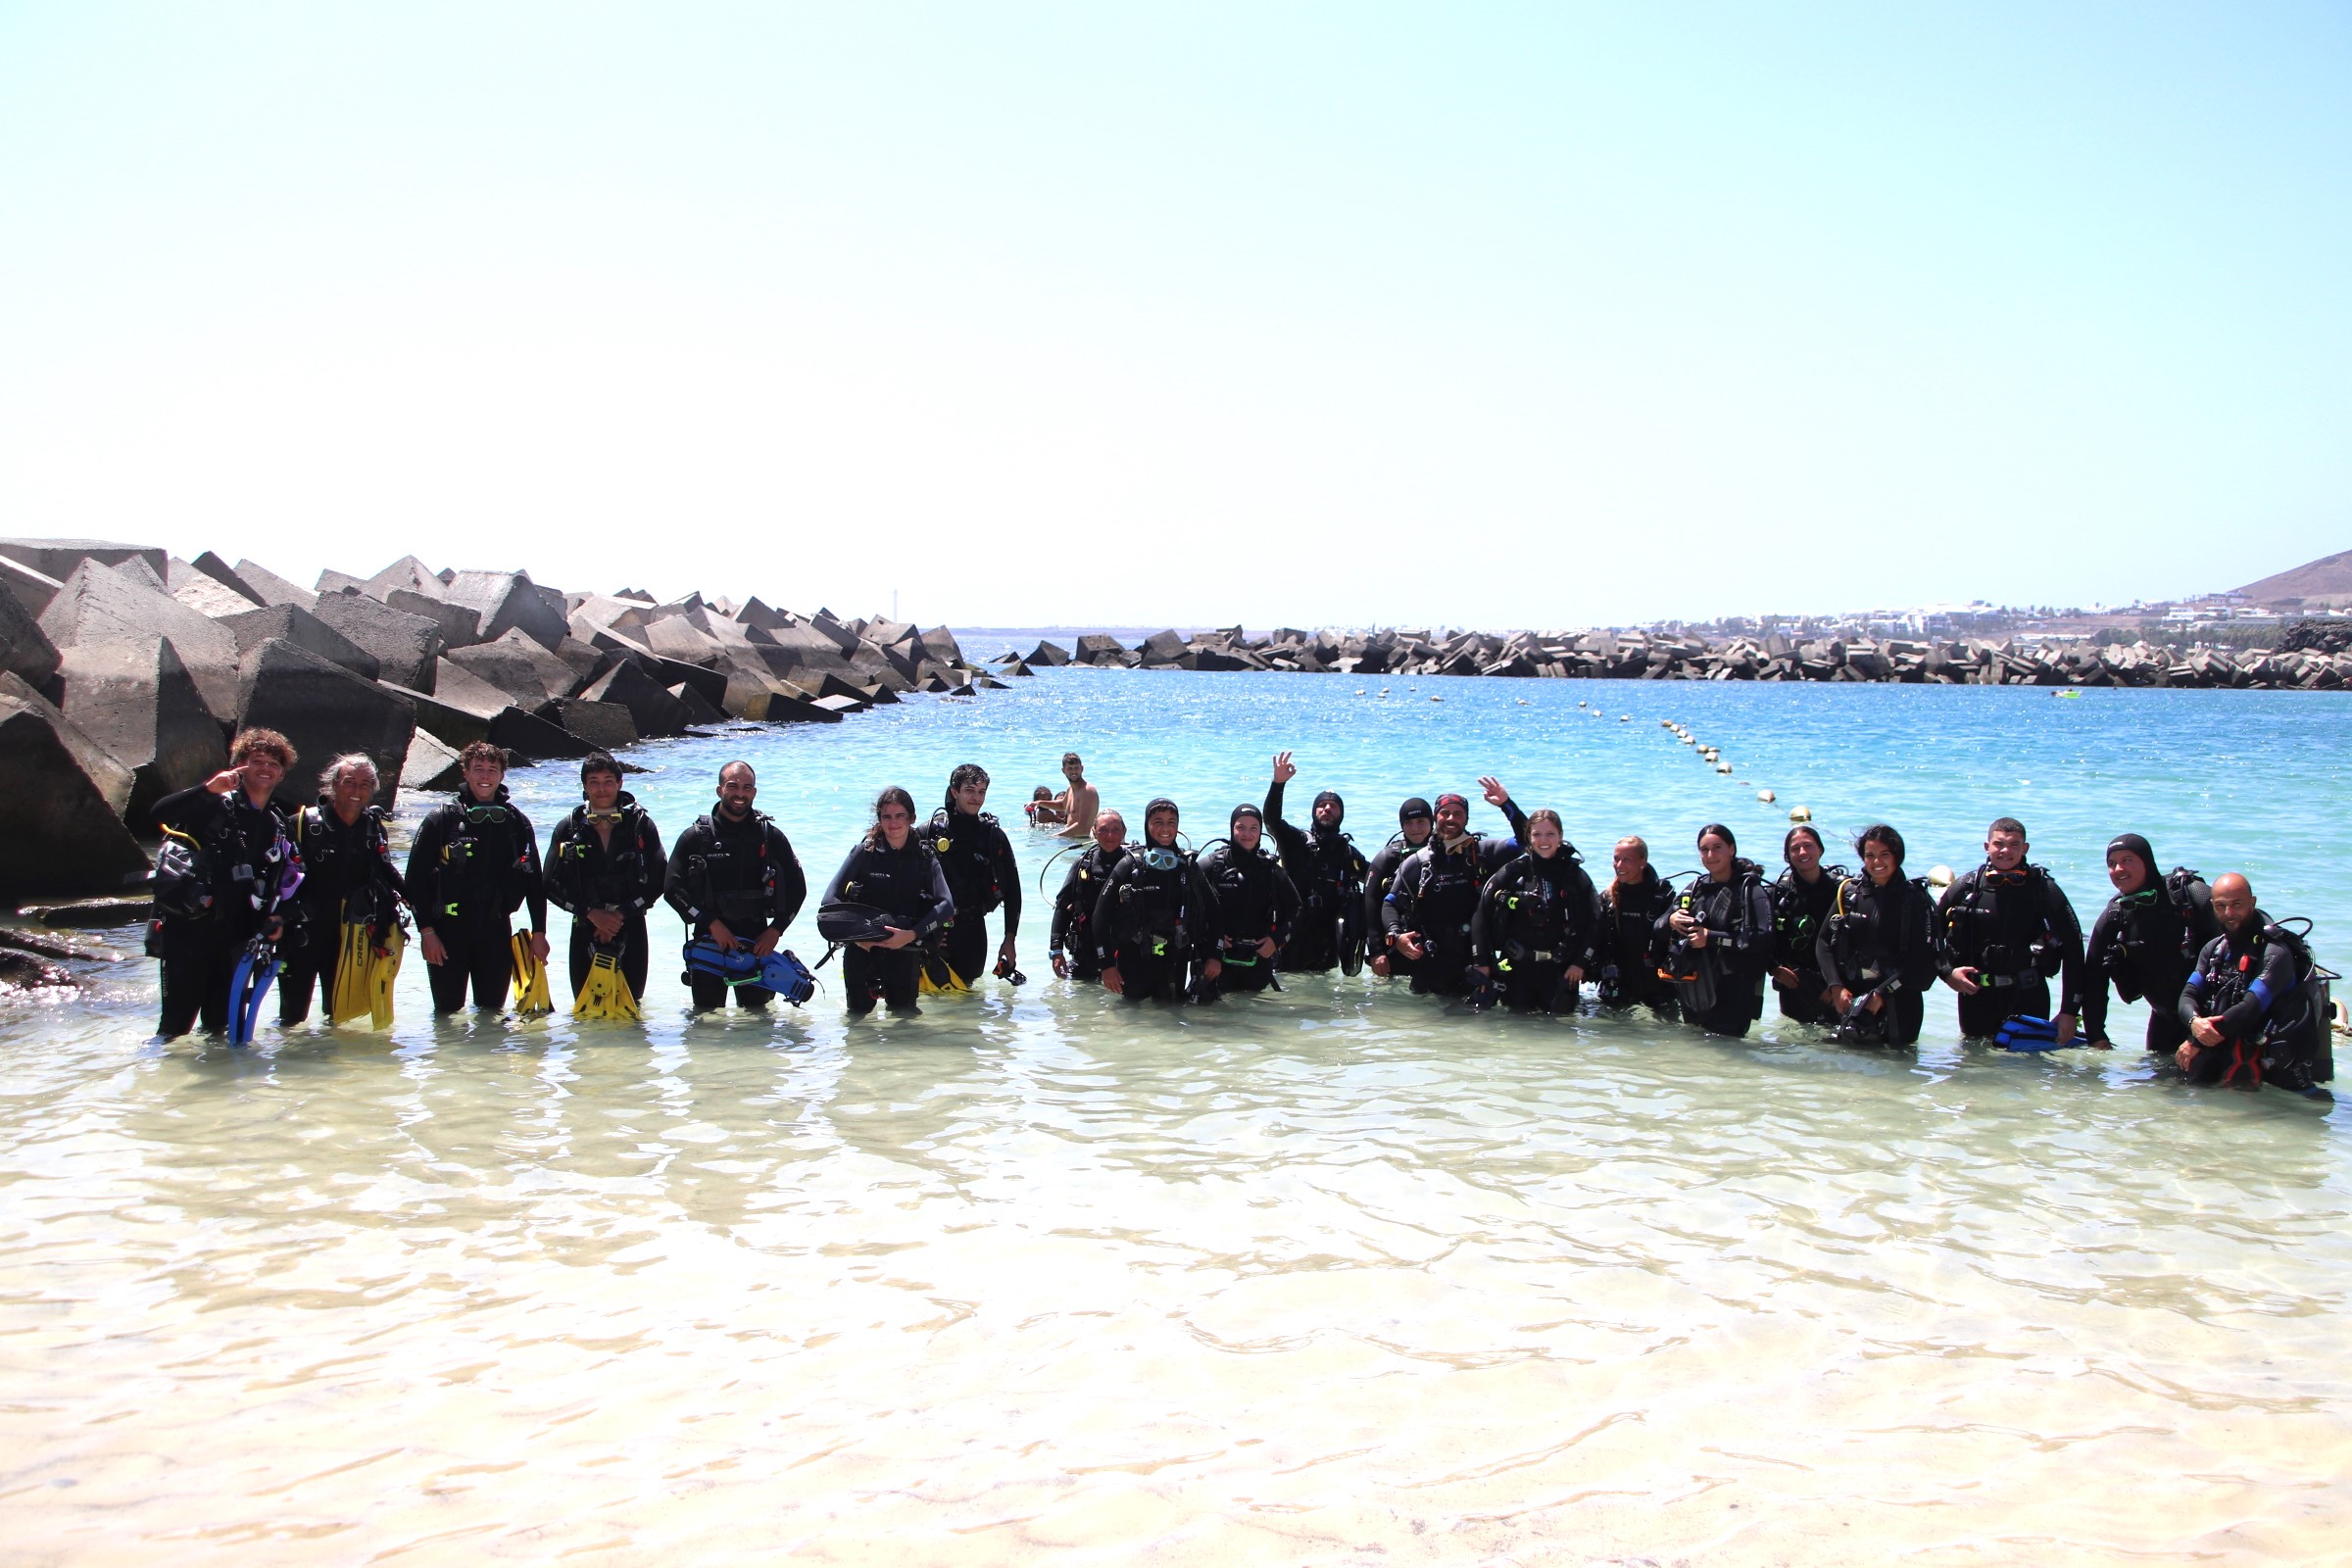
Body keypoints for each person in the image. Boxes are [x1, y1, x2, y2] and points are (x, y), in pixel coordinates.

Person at [147, 728, 305, 1038]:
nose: (265, 769)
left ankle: (220, 1085)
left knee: (221, 1029)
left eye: (274, 764)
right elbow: (159, 813)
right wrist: (206, 789)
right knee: (174, 1029)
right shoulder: (215, 804)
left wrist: (278, 918)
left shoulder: (277, 822)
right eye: (256, 761)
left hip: (235, 941)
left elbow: (290, 880)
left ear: (282, 775)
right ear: (239, 767)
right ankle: (157, 1081)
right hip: (189, 936)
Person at [408, 741, 549, 1014]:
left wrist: (539, 932)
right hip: (448, 933)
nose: (485, 776)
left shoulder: (516, 823)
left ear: (502, 775)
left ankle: (488, 1060)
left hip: (495, 931)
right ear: (466, 773)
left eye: (492, 770)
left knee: (492, 1014)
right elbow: (414, 880)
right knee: (446, 1015)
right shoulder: (441, 819)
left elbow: (534, 882)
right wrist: (427, 932)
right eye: (478, 769)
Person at [665, 760, 808, 1012]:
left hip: (757, 941)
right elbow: (672, 889)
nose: (740, 793)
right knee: (706, 1022)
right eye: (733, 786)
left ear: (754, 792)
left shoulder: (769, 836)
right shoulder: (697, 837)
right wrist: (710, 922)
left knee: (758, 1023)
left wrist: (776, 930)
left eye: (747, 787)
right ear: (720, 790)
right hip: (710, 940)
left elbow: (798, 888)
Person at [281, 754, 408, 1026]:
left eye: (364, 784)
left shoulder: (373, 828)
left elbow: (388, 873)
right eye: (349, 782)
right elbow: (279, 880)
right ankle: (287, 1063)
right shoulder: (303, 824)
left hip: (350, 936)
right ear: (333, 784)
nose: (356, 791)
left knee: (338, 1017)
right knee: (291, 1019)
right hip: (303, 932)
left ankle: (335, 1066)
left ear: (372, 789)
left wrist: (422, 912)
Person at [1936, 816, 2085, 1044]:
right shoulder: (1966, 886)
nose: (2006, 850)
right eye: (1999, 844)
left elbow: (2074, 950)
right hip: (1976, 996)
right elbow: (1928, 936)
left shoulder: (2044, 889)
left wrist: (2069, 1011)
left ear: (2025, 848)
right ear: (1987, 847)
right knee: (1973, 1070)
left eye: (2014, 845)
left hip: (2028, 996)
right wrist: (1947, 973)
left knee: (2025, 1073)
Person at [2178, 873, 2331, 1092]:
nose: (2229, 913)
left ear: (2253, 902)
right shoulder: (2213, 949)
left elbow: (2251, 1007)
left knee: (2307, 1113)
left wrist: (2197, 1040)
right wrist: (2194, 1022)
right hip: (2234, 1058)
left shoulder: (2274, 953)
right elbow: (2188, 994)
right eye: (2221, 906)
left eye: (2236, 904)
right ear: (2212, 906)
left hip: (2279, 1071)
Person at [1381, 779, 1530, 997]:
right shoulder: (1419, 862)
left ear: (1467, 818)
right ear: (1435, 817)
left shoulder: (1481, 853)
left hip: (1475, 959)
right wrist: (1396, 936)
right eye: (1445, 813)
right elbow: (1390, 903)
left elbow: (1524, 841)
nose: (1451, 818)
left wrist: (1506, 804)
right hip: (1430, 960)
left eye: (1458, 814)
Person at [544, 751, 667, 1013]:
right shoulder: (569, 827)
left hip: (631, 925)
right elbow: (549, 884)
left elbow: (659, 879)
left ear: (620, 783)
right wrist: (590, 913)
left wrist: (621, 914)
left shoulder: (640, 825)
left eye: (608, 781)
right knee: (586, 1013)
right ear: (585, 787)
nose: (602, 789)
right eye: (594, 782)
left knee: (632, 1011)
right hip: (584, 927)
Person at [824, 786, 956, 1017]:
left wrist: (911, 934)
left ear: (912, 818)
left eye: (899, 816)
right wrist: (857, 939)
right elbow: (829, 901)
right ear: (879, 819)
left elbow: (945, 905)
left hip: (905, 949)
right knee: (857, 1021)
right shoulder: (864, 852)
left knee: (905, 1021)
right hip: (862, 950)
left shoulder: (924, 856)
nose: (893, 823)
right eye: (886, 816)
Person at [2082, 834, 2218, 1056]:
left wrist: (2198, 1036)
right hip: (2163, 1023)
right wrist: (2097, 1036)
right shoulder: (2116, 914)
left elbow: (2236, 951)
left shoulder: (2190, 895)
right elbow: (2093, 977)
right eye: (2111, 863)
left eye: (2127, 860)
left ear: (2147, 861)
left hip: (2210, 1022)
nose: (2118, 869)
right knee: (2157, 1088)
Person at [1470, 808, 1602, 1012]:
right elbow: (1481, 911)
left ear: (1560, 836)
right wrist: (1481, 961)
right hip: (1516, 969)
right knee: (1516, 1033)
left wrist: (1580, 963)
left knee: (1560, 1034)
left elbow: (1596, 920)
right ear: (1529, 838)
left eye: (1550, 834)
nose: (1544, 840)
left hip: (1561, 970)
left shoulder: (1575, 875)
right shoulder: (1515, 870)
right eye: (1537, 834)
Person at [1818, 824, 1937, 1046]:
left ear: (1897, 856)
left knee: (1897, 1077)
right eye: (1869, 855)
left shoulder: (1914, 899)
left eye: (1884, 855)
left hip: (1900, 1003)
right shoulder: (1850, 893)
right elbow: (1823, 942)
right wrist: (1835, 986)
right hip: (1852, 999)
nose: (1876, 862)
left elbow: (1922, 960)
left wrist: (1882, 993)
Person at [1094, 798, 1220, 1003]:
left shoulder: (1187, 867)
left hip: (1175, 960)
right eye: (1158, 821)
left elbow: (1215, 913)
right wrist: (1107, 965)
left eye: (1171, 822)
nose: (1165, 828)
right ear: (1147, 824)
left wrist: (1215, 955)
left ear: (1178, 827)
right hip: (1134, 959)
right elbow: (1100, 915)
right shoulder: (1130, 864)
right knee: (1130, 1022)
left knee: (1170, 1022)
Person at [1656, 823, 1773, 1037]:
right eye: (1704, 849)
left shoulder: (1750, 891)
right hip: (1695, 989)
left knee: (1727, 1058)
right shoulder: (1694, 889)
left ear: (1732, 849)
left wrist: (1711, 938)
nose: (1710, 855)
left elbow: (1762, 938)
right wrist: (1671, 920)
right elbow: (1657, 927)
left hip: (1734, 991)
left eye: (1717, 847)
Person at [1263, 752, 1369, 974]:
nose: (1327, 809)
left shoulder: (1347, 853)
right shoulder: (1297, 843)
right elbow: (1272, 821)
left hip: (1327, 948)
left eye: (1333, 806)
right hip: (1290, 942)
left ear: (1341, 814)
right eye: (1322, 805)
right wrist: (1278, 784)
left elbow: (1374, 880)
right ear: (1314, 811)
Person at [928, 763, 1022, 987]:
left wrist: (1010, 939)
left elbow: (1014, 892)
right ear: (954, 792)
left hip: (973, 930)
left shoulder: (993, 836)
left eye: (982, 792)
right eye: (970, 790)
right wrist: (921, 931)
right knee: (930, 998)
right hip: (936, 931)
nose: (976, 798)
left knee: (967, 1001)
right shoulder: (931, 832)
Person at [1197, 803, 1301, 998]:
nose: (1247, 834)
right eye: (1240, 828)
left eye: (1254, 828)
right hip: (1217, 960)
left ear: (1261, 832)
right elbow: (1189, 905)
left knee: (1255, 1020)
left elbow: (1296, 907)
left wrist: (1276, 941)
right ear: (1231, 829)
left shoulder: (1269, 868)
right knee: (1212, 1021)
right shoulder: (1213, 865)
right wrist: (1211, 940)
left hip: (1258, 959)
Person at [1769, 824, 1845, 1024]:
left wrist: (1837, 983)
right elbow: (1764, 938)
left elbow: (1856, 943)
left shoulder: (1840, 890)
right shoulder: (1779, 893)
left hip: (1833, 986)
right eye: (1795, 848)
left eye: (1808, 845)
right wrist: (1774, 969)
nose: (1802, 852)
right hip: (1793, 983)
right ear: (1787, 856)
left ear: (1820, 849)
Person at [1596, 836, 1678, 1018]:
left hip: (1656, 983)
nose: (1619, 865)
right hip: (1618, 980)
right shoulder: (1608, 897)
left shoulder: (1663, 896)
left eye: (1627, 860)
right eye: (1616, 859)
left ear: (1643, 862)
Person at [1050, 810, 1129, 983]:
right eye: (1103, 829)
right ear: (1094, 831)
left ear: (1125, 832)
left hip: (1123, 958)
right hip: (1085, 957)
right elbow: (1062, 907)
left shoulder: (1133, 865)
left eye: (1116, 829)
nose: (1110, 835)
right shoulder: (1083, 864)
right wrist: (1056, 950)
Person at [1363, 797, 1436, 981]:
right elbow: (1370, 903)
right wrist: (1376, 951)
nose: (1415, 828)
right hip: (1395, 943)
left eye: (1421, 821)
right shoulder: (1388, 857)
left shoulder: (1445, 854)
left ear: (1432, 822)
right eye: (1408, 823)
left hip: (1435, 942)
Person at [1051, 752, 1100, 840]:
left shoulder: (1087, 790)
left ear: (1082, 769)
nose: (1073, 771)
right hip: (1071, 839)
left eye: (1076, 768)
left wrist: (1056, 836)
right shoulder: (1070, 789)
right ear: (1063, 770)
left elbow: (1082, 826)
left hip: (1083, 841)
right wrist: (1038, 803)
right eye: (1070, 768)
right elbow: (1062, 805)